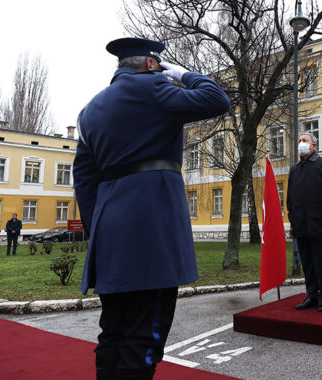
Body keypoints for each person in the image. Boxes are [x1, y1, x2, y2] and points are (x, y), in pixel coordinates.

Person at [73, 37, 230, 380]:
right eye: (160, 64)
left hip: (110, 227)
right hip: (152, 224)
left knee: (113, 328)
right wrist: (186, 74)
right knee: (145, 333)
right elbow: (217, 100)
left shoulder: (90, 110)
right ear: (149, 63)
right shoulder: (154, 86)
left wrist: (97, 224)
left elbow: (83, 179)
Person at [286, 132, 322, 312]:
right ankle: (310, 294)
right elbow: (290, 199)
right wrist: (292, 222)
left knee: (320, 262)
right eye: (300, 140)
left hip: (320, 224)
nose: (301, 143)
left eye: (305, 141)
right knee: (307, 262)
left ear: (314, 146)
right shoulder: (294, 169)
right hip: (301, 225)